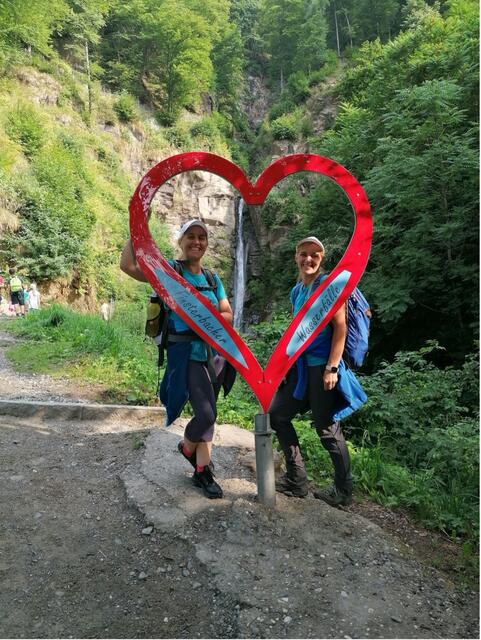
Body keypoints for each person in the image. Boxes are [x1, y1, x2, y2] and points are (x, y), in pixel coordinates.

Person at [120, 219, 235, 499]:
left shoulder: (212, 278)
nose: (197, 242)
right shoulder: (170, 271)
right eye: (191, 236)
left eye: (202, 237)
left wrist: (207, 320)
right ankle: (187, 447)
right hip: (185, 355)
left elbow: (228, 314)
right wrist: (137, 227)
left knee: (207, 413)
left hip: (213, 356)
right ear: (181, 242)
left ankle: (201, 470)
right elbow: (129, 267)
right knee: (207, 414)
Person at [269, 236, 367, 506]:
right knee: (277, 415)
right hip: (299, 368)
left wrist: (332, 368)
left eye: (314, 255)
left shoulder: (328, 287)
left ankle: (343, 490)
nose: (308, 259)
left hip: (322, 367)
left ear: (321, 259)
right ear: (296, 257)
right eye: (303, 254)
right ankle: (296, 480)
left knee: (325, 427)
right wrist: (285, 366)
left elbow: (341, 328)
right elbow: (295, 334)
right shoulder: (297, 291)